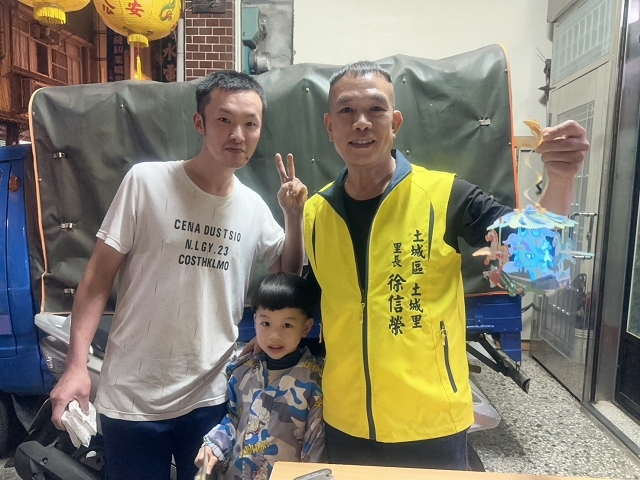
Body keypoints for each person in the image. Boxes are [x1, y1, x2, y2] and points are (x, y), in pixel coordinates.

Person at [302, 61, 590, 470]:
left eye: (376, 109)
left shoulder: (447, 196)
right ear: (330, 126)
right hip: (345, 420)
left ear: (395, 123)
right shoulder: (316, 212)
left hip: (431, 422)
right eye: (347, 111)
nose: (361, 122)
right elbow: (316, 299)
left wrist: (560, 178)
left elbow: (538, 271)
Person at [49, 71, 308, 480]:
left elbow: (287, 277)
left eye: (250, 123)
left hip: (211, 397)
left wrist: (294, 217)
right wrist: (76, 367)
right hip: (132, 398)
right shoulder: (146, 182)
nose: (237, 134)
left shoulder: (253, 207)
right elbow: (97, 279)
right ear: (199, 122)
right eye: (224, 120)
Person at [194, 272, 326, 480]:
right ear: (255, 321)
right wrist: (214, 446)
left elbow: (315, 444)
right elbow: (233, 419)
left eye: (287, 325)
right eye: (266, 324)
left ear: (306, 328)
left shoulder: (315, 379)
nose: (274, 336)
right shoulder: (241, 372)